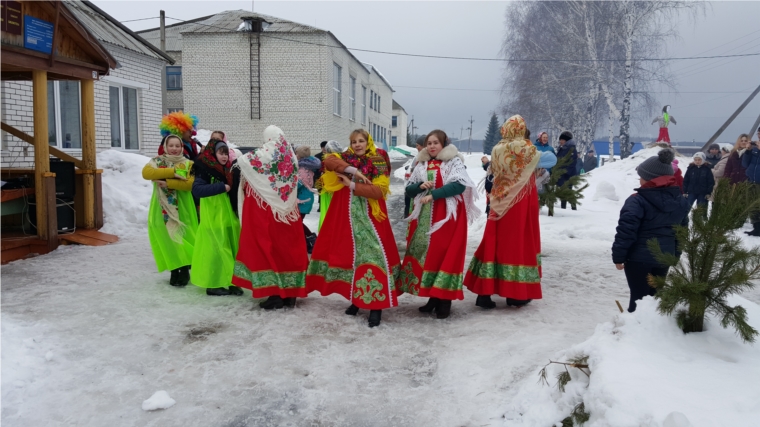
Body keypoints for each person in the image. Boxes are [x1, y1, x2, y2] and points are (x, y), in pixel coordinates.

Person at [306, 130, 400, 328]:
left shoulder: (378, 159)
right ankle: (357, 300)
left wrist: (350, 184)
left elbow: (378, 191)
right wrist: (354, 171)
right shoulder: (344, 158)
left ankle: (376, 306)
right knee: (352, 257)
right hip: (347, 220)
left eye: (361, 141)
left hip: (371, 219)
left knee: (374, 257)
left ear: (368, 142)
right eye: (353, 142)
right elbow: (329, 161)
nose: (357, 145)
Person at [397, 130, 480, 319]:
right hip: (426, 217)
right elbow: (409, 189)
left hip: (447, 217)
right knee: (429, 255)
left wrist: (434, 194)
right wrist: (420, 186)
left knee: (444, 254)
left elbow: (459, 185)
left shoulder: (454, 162)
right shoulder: (421, 163)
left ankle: (445, 300)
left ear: (443, 144)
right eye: (429, 143)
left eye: (436, 143)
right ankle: (432, 297)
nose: (432, 146)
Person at [464, 115, 542, 309]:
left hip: (499, 201)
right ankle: (515, 294)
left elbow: (494, 172)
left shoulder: (497, 148)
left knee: (493, 241)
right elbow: (548, 160)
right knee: (518, 243)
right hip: (521, 202)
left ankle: (484, 292)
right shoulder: (527, 148)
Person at [232, 126, 310, 309]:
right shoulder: (290, 156)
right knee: (287, 251)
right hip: (288, 215)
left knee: (267, 250)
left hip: (266, 214)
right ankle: (290, 294)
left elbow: (242, 161)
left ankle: (274, 294)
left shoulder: (266, 153)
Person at [612, 149, 689, 312]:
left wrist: (619, 256)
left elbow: (626, 231)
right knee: (655, 298)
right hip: (664, 258)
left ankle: (636, 330)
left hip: (638, 259)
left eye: (641, 176)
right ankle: (653, 332)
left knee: (638, 298)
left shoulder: (637, 201)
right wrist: (675, 255)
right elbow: (682, 232)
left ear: (649, 179)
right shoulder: (680, 201)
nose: (639, 179)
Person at [142, 135, 198, 287]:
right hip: (161, 207)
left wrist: (168, 183)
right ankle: (174, 268)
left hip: (183, 206)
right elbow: (146, 173)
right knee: (167, 236)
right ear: (166, 147)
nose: (174, 149)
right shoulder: (157, 161)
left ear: (182, 147)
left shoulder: (188, 163)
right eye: (171, 145)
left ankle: (185, 267)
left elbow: (190, 184)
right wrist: (172, 172)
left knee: (183, 234)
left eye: (177, 146)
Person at [190, 139, 243, 296]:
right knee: (216, 252)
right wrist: (221, 187)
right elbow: (197, 190)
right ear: (213, 153)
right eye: (221, 152)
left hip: (228, 217)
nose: (224, 156)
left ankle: (233, 281)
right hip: (212, 218)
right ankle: (213, 284)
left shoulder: (227, 170)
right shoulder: (205, 169)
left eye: (226, 153)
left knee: (231, 249)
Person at [295, 146, 321, 253]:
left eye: (296, 154)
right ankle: (308, 240)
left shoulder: (302, 170)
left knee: (297, 222)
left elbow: (297, 185)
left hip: (302, 201)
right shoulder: (306, 167)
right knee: (298, 222)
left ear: (299, 156)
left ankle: (311, 239)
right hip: (305, 199)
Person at [316, 140, 343, 231]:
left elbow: (329, 176)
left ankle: (325, 232)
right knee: (335, 214)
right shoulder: (342, 159)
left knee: (327, 213)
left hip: (328, 190)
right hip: (337, 190)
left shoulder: (329, 159)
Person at [742, 133, 760, 236]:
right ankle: (756, 227)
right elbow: (745, 164)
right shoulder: (754, 148)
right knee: (752, 204)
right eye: (758, 134)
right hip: (751, 180)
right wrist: (748, 151)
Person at [403, 136, 427, 216]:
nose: (416, 147)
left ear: (423, 145)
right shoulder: (418, 158)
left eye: (417, 145)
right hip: (416, 189)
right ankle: (407, 214)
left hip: (424, 193)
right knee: (408, 197)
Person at [555, 131, 578, 210]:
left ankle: (574, 208)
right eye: (560, 140)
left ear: (566, 140)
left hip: (568, 175)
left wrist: (566, 172)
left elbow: (572, 162)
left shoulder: (571, 149)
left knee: (569, 191)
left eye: (562, 140)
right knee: (563, 191)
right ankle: (563, 208)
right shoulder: (561, 149)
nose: (560, 141)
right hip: (561, 174)